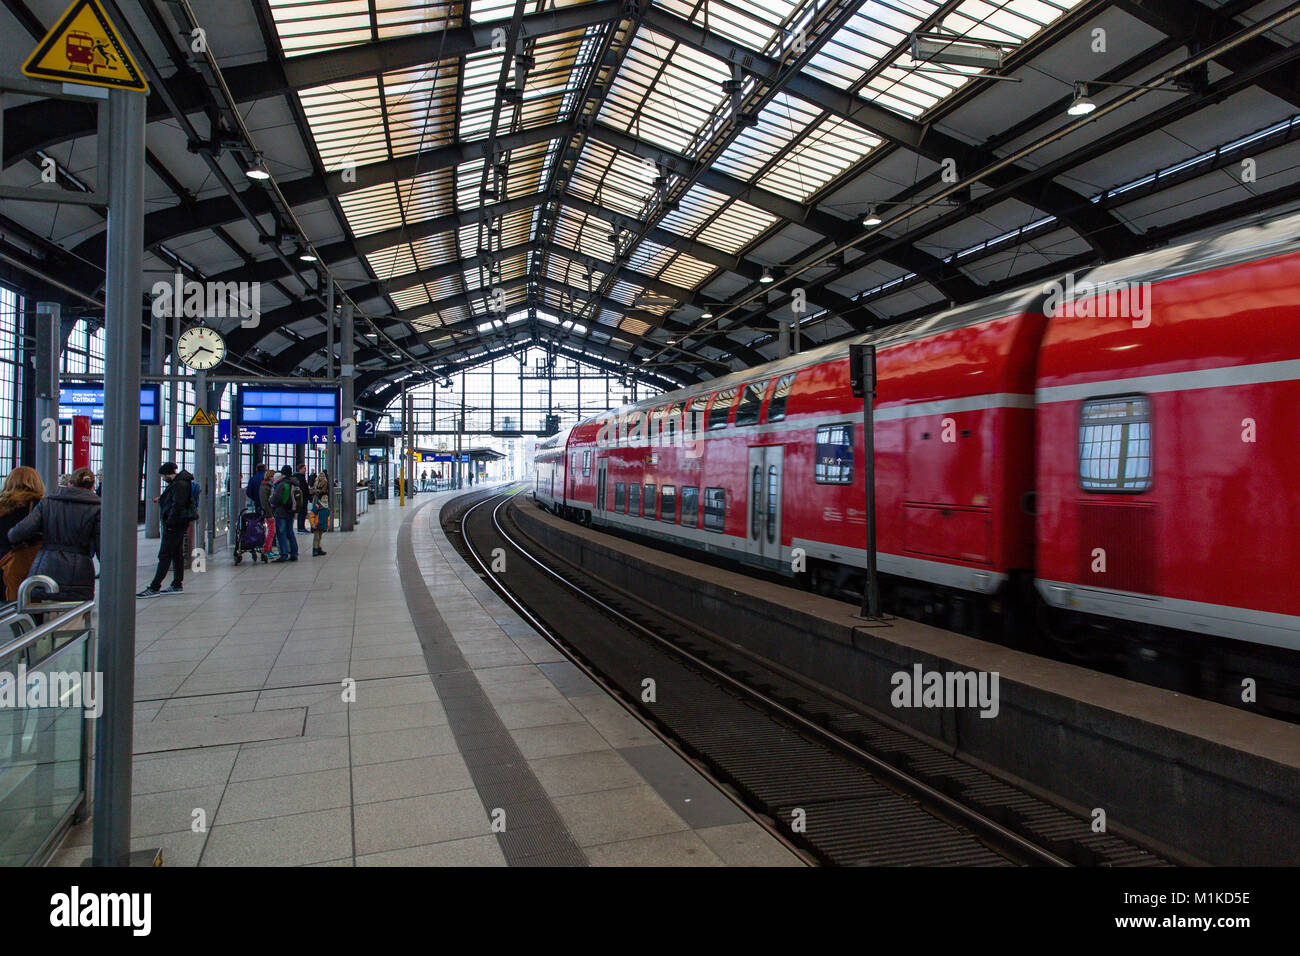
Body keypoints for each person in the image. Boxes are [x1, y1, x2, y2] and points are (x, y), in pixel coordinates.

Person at [9, 466, 100, 602]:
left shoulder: (47, 503)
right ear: (93, 486)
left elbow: (16, 534)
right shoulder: (97, 508)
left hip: (45, 567)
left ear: (70, 483)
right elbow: (102, 547)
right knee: (73, 615)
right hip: (80, 571)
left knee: (47, 613)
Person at [137, 462, 200, 597]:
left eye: (163, 476)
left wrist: (170, 521)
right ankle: (177, 584)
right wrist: (163, 499)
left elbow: (178, 504)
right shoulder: (180, 482)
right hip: (178, 522)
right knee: (176, 554)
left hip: (175, 524)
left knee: (165, 554)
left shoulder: (180, 484)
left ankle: (154, 587)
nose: (162, 478)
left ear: (167, 473)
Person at [0, 466, 45, 602]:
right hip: (26, 566)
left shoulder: (1, 504)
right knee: (29, 609)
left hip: (3, 563)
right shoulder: (38, 505)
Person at [271, 465, 301, 562]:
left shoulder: (282, 484)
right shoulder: (295, 483)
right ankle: (294, 553)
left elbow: (276, 499)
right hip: (291, 511)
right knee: (290, 532)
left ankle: (284, 554)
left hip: (281, 512)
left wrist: (270, 499)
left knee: (281, 533)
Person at [310, 469, 331, 557]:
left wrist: (327, 525)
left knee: (319, 537)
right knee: (317, 537)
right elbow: (312, 514)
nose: (321, 477)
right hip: (317, 523)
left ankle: (318, 548)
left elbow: (328, 517)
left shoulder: (326, 507)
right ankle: (315, 549)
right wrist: (312, 523)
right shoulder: (318, 506)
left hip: (322, 523)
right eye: (320, 476)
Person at [295, 462, 311, 533]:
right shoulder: (301, 478)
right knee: (302, 513)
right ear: (300, 469)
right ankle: (301, 527)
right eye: (304, 468)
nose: (305, 470)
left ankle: (301, 527)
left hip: (302, 498)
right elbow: (304, 489)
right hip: (303, 498)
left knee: (301, 513)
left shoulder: (298, 477)